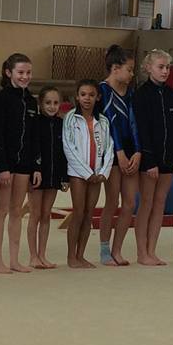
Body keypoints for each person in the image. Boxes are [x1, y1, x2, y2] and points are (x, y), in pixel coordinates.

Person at [0, 53, 40, 274]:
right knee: (2, 209)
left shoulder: (31, 101)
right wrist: (1, 166)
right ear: (8, 72)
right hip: (5, 164)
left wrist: (36, 166)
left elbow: (34, 137)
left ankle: (14, 259)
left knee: (16, 211)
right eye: (20, 72)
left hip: (24, 164)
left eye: (28, 72)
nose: (25, 76)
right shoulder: (1, 99)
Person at [134, 49, 173, 266]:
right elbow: (142, 130)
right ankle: (141, 252)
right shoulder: (141, 95)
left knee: (160, 203)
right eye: (160, 67)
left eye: (167, 67)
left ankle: (152, 250)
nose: (165, 71)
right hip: (150, 160)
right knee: (146, 203)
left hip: (168, 158)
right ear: (148, 68)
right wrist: (149, 161)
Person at [97, 45, 141, 267]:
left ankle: (117, 249)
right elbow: (109, 124)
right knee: (112, 201)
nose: (132, 74)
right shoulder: (102, 91)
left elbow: (135, 124)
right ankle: (105, 249)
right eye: (129, 69)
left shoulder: (131, 93)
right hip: (111, 154)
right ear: (115, 68)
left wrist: (138, 151)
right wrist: (119, 153)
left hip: (131, 153)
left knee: (130, 203)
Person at [63, 79, 113, 268]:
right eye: (83, 94)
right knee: (78, 212)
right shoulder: (70, 118)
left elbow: (109, 148)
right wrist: (86, 173)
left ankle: (80, 255)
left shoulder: (103, 121)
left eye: (91, 95)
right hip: (78, 173)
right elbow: (69, 146)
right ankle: (71, 257)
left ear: (98, 97)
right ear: (77, 96)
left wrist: (103, 172)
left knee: (88, 214)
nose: (87, 98)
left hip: (97, 174)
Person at [28, 86, 66, 269]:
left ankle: (42, 254)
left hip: (54, 174)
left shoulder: (61, 124)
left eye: (56, 103)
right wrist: (35, 168)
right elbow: (32, 147)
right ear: (40, 104)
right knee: (35, 214)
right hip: (37, 174)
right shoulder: (35, 122)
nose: (52, 106)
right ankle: (33, 256)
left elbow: (64, 152)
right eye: (48, 103)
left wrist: (64, 176)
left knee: (46, 214)